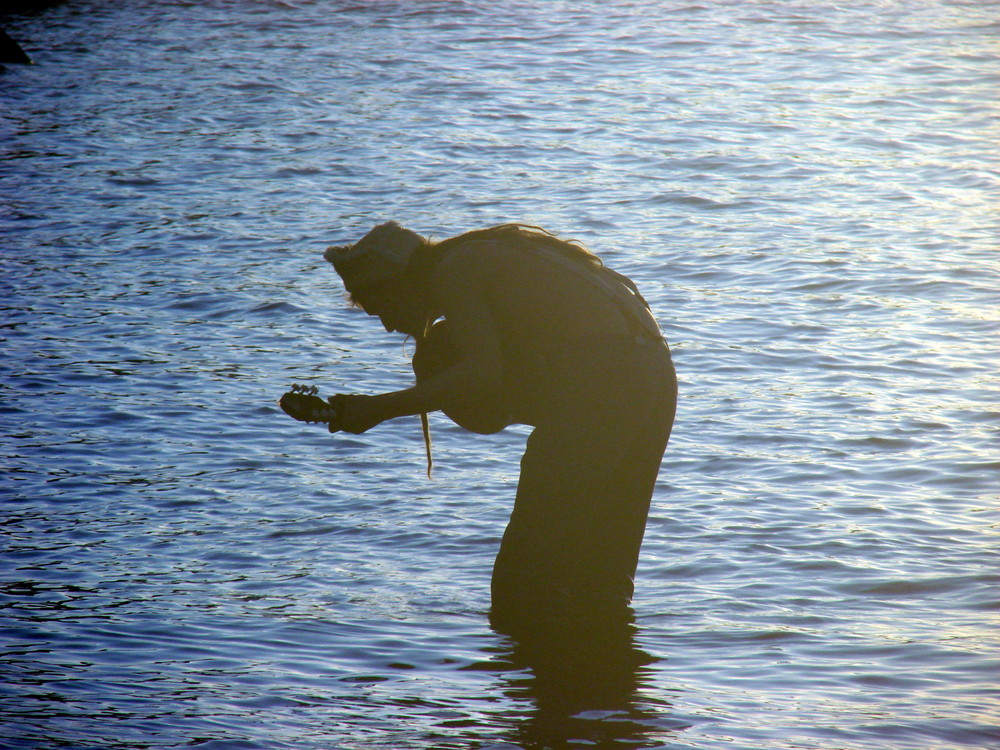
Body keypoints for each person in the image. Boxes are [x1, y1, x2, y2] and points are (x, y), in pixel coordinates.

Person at [317, 221, 677, 636]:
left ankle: (530, 679)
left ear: (396, 283)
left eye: (380, 310)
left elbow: (482, 376)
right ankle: (605, 677)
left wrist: (377, 409)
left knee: (521, 579)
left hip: (605, 378)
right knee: (602, 574)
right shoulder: (489, 255)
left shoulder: (453, 271)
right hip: (654, 370)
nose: (387, 326)